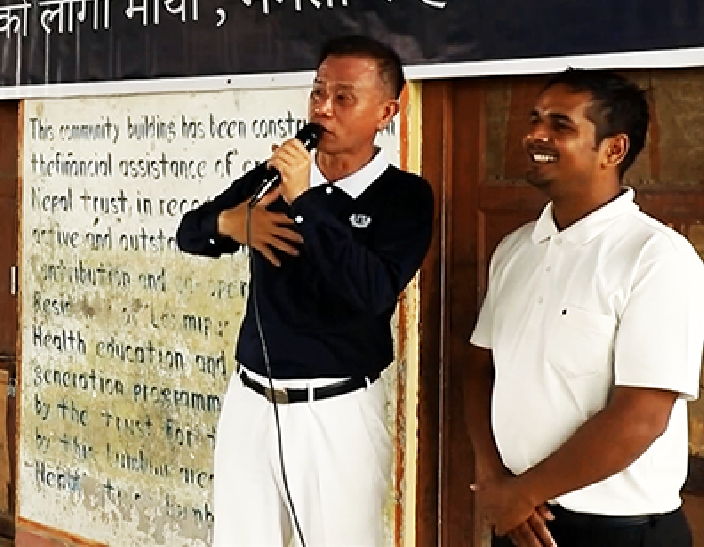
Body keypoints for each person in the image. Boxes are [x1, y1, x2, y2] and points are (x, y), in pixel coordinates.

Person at [176, 35, 434, 547]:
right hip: (251, 400)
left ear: (385, 112)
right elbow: (190, 232)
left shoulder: (404, 197)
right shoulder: (273, 177)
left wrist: (310, 199)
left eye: (343, 97)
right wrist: (233, 224)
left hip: (336, 409)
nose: (324, 109)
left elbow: (371, 290)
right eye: (317, 93)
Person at [465, 69, 704, 547]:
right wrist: (497, 484)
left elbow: (641, 415)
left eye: (561, 125)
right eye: (534, 119)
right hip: (522, 521)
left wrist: (523, 492)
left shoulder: (655, 256)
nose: (535, 134)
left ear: (612, 150)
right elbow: (480, 370)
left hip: (620, 532)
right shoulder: (517, 249)